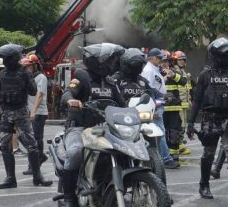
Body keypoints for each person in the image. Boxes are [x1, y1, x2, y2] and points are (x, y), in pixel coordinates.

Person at [58, 43, 126, 207]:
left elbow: (122, 105)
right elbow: (68, 92)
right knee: (75, 153)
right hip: (80, 128)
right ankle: (68, 197)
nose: (112, 64)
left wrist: (135, 111)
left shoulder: (110, 82)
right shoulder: (81, 76)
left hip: (105, 129)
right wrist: (71, 100)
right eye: (109, 61)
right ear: (98, 61)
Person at [186, 37, 228, 207]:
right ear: (215, 56)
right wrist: (190, 123)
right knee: (208, 154)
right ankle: (204, 185)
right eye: (225, 55)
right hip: (210, 119)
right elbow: (197, 100)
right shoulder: (205, 75)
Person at [0, 44, 52, 189]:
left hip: (21, 112)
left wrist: (26, 79)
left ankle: (38, 176)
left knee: (32, 145)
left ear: (13, 58)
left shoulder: (24, 73)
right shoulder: (2, 75)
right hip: (6, 113)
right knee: (5, 146)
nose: (4, 61)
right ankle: (10, 178)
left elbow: (32, 91)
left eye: (5, 58)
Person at [142, 48, 178, 169]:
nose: (160, 60)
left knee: (158, 133)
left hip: (159, 104)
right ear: (152, 58)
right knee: (159, 133)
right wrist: (153, 106)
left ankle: (158, 158)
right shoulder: (148, 71)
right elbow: (148, 90)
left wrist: (164, 97)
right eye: (158, 58)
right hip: (155, 106)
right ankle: (166, 159)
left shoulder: (154, 69)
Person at [21, 54, 49, 176]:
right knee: (26, 137)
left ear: (35, 65)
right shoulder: (27, 77)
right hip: (27, 111)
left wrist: (33, 110)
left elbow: (40, 95)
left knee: (36, 138)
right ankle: (39, 157)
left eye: (28, 66)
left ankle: (34, 164)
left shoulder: (41, 77)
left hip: (39, 112)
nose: (26, 68)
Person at [163, 51, 188, 159]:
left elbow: (183, 81)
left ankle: (173, 154)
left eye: (166, 61)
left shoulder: (173, 71)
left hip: (174, 107)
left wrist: (173, 76)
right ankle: (164, 154)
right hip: (161, 107)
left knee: (175, 129)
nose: (164, 64)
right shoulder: (154, 72)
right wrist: (164, 78)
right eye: (162, 61)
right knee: (162, 130)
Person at [173, 50, 193, 156]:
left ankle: (180, 143)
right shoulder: (175, 71)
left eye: (183, 60)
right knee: (179, 125)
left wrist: (189, 100)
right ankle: (179, 146)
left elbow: (187, 87)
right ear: (175, 61)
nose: (182, 62)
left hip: (184, 103)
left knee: (183, 125)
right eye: (180, 60)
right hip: (178, 103)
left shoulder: (183, 72)